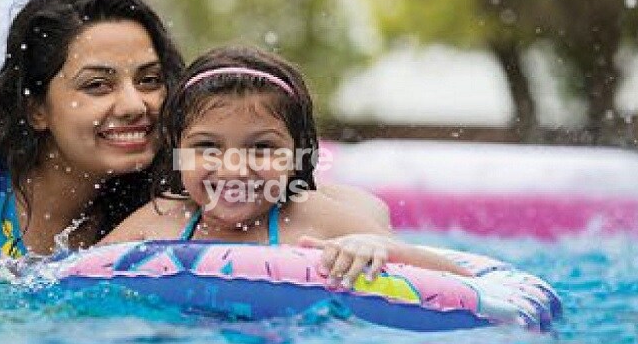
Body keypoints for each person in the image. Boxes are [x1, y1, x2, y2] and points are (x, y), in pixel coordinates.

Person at [0, 0, 391, 271]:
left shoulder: (175, 195)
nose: (136, 104)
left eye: (150, 79)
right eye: (97, 85)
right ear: (36, 108)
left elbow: (339, 204)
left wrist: (368, 236)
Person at [101, 46, 471, 286]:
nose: (233, 169)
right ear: (177, 151)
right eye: (207, 146)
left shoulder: (313, 217)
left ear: (297, 155)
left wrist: (377, 246)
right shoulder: (162, 219)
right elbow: (77, 274)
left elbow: (458, 281)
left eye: (261, 147)